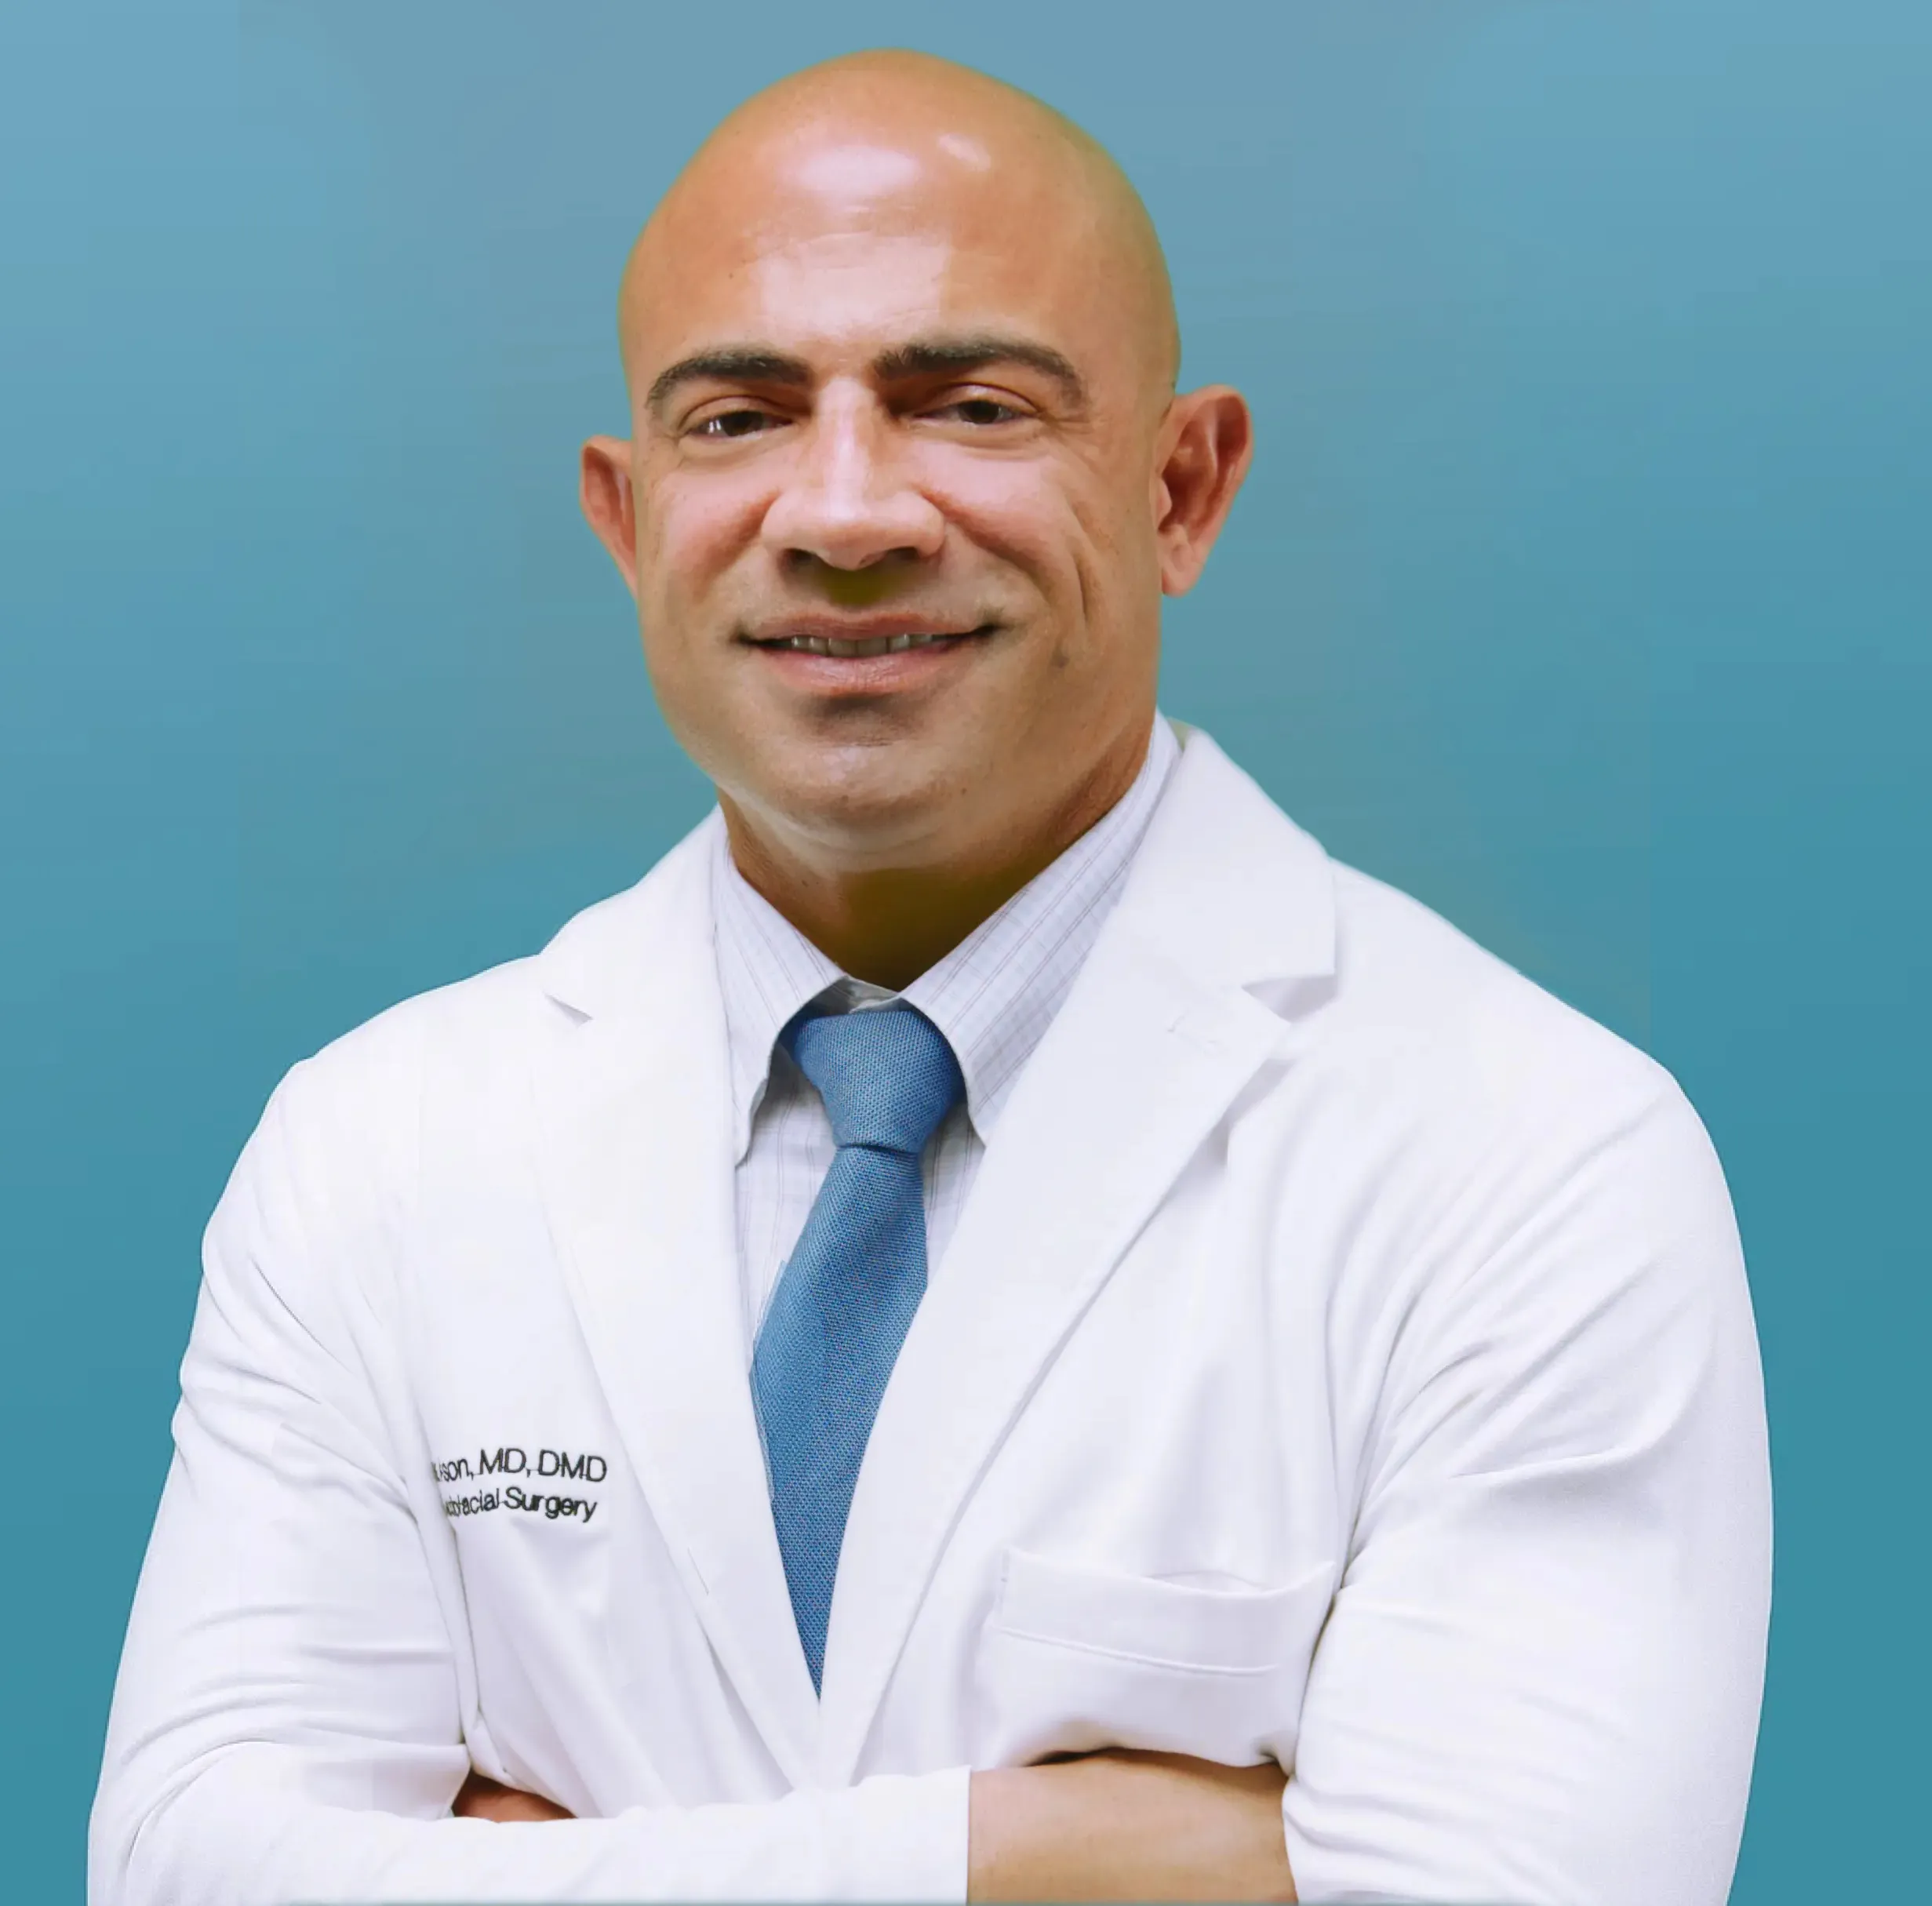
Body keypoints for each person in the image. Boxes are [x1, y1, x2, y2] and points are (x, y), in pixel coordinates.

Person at [89, 48, 1770, 1906]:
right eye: (734, 419)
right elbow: (184, 1872)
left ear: (1181, 488)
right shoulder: (375, 1152)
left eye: (966, 405)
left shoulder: (1531, 1159)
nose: (845, 512)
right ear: (623, 513)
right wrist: (1049, 1856)